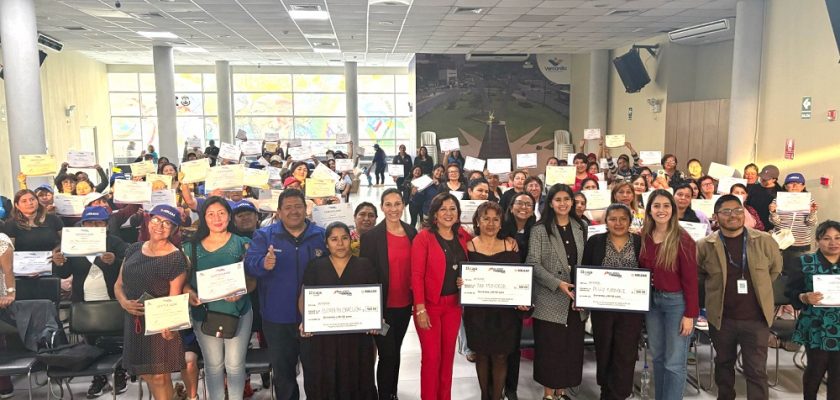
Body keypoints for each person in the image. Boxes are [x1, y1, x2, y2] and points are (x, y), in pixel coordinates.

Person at [696, 194, 782, 400]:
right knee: (724, 365)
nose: (733, 215)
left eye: (737, 210)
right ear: (716, 217)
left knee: (756, 370)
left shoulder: (764, 241)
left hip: (756, 318)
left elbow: (775, 269)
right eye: (726, 212)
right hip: (722, 319)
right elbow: (699, 275)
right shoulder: (705, 245)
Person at [244, 189, 326, 400]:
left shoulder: (320, 235)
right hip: (277, 318)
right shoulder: (265, 236)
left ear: (305, 209)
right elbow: (249, 265)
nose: (294, 212)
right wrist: (263, 263)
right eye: (288, 208)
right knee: (283, 374)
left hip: (314, 317)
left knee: (316, 372)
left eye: (298, 206)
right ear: (279, 212)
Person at [51, 206, 129, 397]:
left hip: (112, 300)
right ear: (82, 224)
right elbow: (64, 273)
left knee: (116, 338)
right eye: (89, 223)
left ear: (106, 225)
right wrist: (59, 262)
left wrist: (116, 262)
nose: (94, 226)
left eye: (99, 223)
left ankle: (120, 372)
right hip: (84, 302)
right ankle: (99, 377)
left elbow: (132, 265)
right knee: (91, 341)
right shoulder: (72, 244)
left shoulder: (115, 242)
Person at [182, 198, 253, 400]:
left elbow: (253, 281)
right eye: (211, 214)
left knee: (235, 365)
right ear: (203, 218)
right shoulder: (190, 248)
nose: (217, 218)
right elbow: (184, 281)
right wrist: (189, 292)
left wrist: (241, 291)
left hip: (238, 312)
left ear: (229, 216)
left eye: (221, 213)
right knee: (213, 366)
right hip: (205, 314)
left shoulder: (243, 244)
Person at [298, 222, 378, 399]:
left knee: (357, 379)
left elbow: (373, 297)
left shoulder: (365, 265)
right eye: (334, 239)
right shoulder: (315, 266)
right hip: (324, 339)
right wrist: (306, 320)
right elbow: (305, 296)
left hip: (357, 337)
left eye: (344, 238)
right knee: (326, 380)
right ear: (326, 243)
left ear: (351, 240)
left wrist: (376, 320)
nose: (340, 243)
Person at [115, 205, 188, 400]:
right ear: (149, 221)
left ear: (174, 229)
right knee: (145, 373)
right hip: (134, 320)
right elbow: (118, 284)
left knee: (159, 377)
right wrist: (123, 302)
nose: (160, 225)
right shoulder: (133, 249)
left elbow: (175, 297)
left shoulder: (176, 258)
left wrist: (171, 326)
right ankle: (173, 395)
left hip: (160, 323)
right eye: (156, 219)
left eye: (167, 223)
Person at [527, 184, 588, 400]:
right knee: (550, 349)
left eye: (567, 199)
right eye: (558, 199)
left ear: (572, 202)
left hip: (576, 300)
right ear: (550, 203)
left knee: (570, 349)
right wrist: (557, 283)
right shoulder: (539, 229)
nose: (563, 203)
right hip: (550, 298)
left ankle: (562, 392)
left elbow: (586, 261)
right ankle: (548, 394)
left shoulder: (581, 226)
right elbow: (533, 263)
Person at [462, 202, 528, 400]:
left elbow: (518, 277)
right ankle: (484, 395)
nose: (490, 223)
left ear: (501, 223)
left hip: (505, 313)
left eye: (495, 219)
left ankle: (497, 396)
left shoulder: (511, 245)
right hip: (478, 313)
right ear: (477, 221)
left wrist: (522, 297)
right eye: (485, 218)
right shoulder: (467, 247)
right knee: (481, 355)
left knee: (501, 356)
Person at [638, 190, 699, 400]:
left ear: (673, 209)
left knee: (674, 361)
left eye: (666, 205)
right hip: (652, 303)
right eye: (656, 206)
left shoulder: (683, 239)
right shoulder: (644, 236)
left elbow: (691, 280)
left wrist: (690, 314)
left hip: (676, 304)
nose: (661, 210)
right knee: (658, 357)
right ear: (649, 210)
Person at [411, 192, 471, 400]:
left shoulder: (462, 235)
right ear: (434, 214)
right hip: (429, 306)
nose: (448, 213)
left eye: (452, 209)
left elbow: (480, 252)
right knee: (431, 357)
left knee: (447, 358)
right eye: (443, 209)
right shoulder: (424, 237)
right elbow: (416, 276)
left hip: (453, 305)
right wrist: (420, 308)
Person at [360, 189, 418, 400]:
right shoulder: (371, 237)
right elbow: (366, 275)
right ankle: (384, 395)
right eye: (388, 204)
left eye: (397, 204)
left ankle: (392, 392)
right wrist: (372, 311)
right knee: (387, 354)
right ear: (382, 207)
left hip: (404, 306)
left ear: (403, 206)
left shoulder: (413, 233)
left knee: (396, 351)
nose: (393, 209)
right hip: (382, 308)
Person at [582, 203, 643, 400]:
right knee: (604, 350)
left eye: (623, 219)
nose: (618, 223)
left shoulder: (639, 242)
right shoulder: (595, 241)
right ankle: (605, 390)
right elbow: (586, 271)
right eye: (613, 219)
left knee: (625, 354)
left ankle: (621, 394)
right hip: (602, 309)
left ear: (630, 221)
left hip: (631, 311)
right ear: (605, 221)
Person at [786, 220, 840, 400]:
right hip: (816, 324)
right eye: (827, 238)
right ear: (817, 240)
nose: (833, 243)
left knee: (838, 373)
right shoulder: (804, 261)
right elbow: (791, 291)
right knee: (816, 369)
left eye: (838, 238)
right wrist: (804, 297)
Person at [770, 172, 819, 276]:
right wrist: (773, 212)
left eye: (798, 183)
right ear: (785, 186)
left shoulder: (810, 201)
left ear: (803, 186)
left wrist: (812, 212)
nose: (794, 186)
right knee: (779, 271)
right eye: (791, 183)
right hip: (780, 241)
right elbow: (775, 222)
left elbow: (811, 223)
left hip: (800, 242)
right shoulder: (778, 200)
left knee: (798, 272)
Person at [746, 165, 781, 232]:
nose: (763, 180)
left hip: (769, 227)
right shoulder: (753, 188)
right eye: (762, 177)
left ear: (774, 179)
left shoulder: (779, 192)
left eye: (766, 178)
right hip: (753, 226)